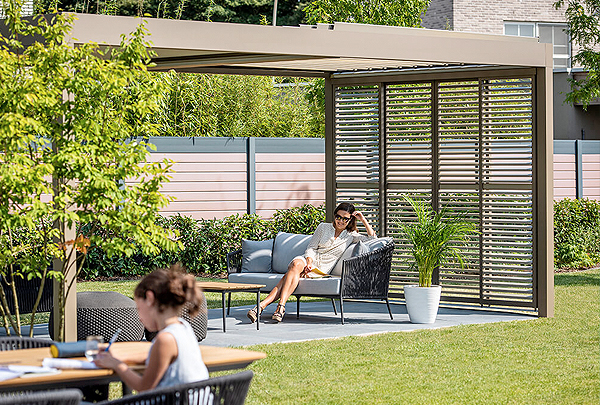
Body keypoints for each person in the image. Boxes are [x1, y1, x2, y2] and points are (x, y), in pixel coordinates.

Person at [247, 202, 377, 323]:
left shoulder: (351, 235)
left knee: (288, 276)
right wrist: (309, 262)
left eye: (345, 218)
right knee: (295, 265)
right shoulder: (323, 227)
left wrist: (363, 220)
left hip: (320, 269)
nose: (341, 221)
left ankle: (261, 306)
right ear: (335, 215)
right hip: (308, 259)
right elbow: (311, 247)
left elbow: (372, 238)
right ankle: (280, 308)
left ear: (350, 220)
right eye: (338, 216)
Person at [93, 266, 209, 392]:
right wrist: (117, 357)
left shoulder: (166, 339)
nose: (139, 317)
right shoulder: (183, 327)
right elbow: (156, 359)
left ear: (149, 298)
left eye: (139, 308)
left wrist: (117, 365)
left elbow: (144, 388)